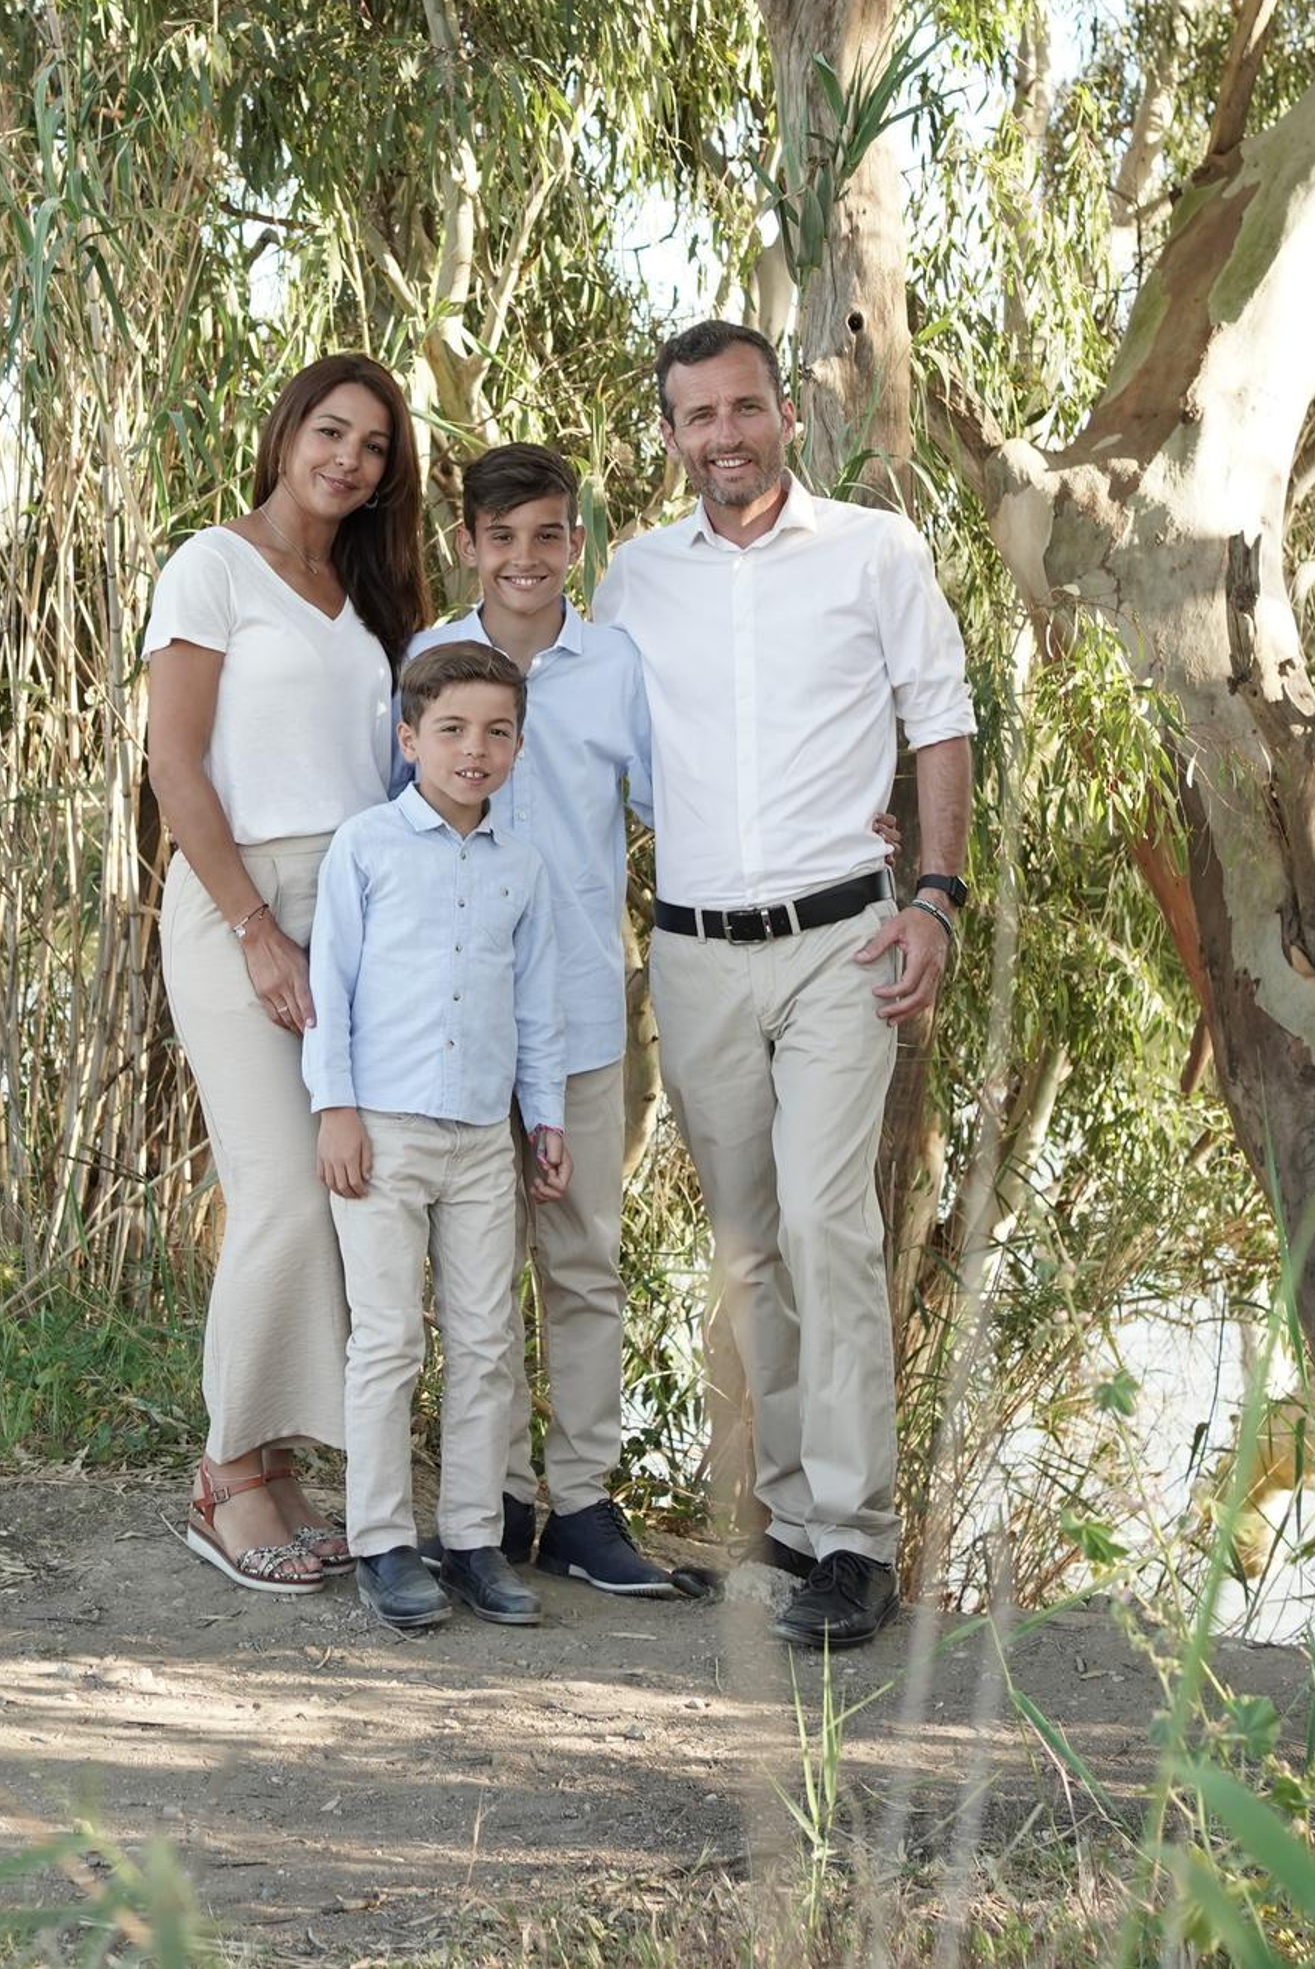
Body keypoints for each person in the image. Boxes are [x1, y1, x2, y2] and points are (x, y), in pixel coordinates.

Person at [595, 321, 975, 1652]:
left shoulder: (874, 550)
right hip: (694, 951)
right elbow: (593, 737)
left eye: (745, 408)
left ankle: (860, 1546)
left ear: (785, 417)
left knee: (827, 1224)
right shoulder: (633, 577)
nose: (726, 437)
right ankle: (793, 1530)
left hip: (841, 944)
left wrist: (934, 893)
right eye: (698, 417)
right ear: (670, 436)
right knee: (751, 1252)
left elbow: (940, 712)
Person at [144, 353, 430, 1594]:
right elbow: (176, 767)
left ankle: (278, 1465)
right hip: (236, 900)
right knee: (274, 1183)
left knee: (339, 1179)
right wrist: (257, 925)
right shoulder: (211, 568)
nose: (349, 460)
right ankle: (222, 1477)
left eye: (372, 447)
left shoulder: (365, 597)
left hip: (355, 905)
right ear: (285, 432)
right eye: (331, 431)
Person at [401, 444, 689, 1598]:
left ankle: (580, 1499)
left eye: (549, 535)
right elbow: (403, 828)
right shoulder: (429, 659)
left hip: (576, 1009)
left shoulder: (613, 665)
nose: (526, 559)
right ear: (468, 543)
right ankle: (493, 1495)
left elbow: (675, 810)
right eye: (503, 536)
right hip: (460, 1023)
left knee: (582, 1261)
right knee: (473, 1268)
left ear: (579, 544)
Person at [306, 641, 572, 1631]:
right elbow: (328, 988)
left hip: (479, 1138)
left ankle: (470, 1539)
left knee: (486, 1339)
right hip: (380, 1130)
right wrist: (335, 1107)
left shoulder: (522, 865)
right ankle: (381, 1541)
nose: (476, 749)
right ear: (408, 736)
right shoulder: (367, 847)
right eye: (452, 729)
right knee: (385, 1340)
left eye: (497, 731)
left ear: (516, 744)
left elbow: (535, 1003)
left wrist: (543, 1117)